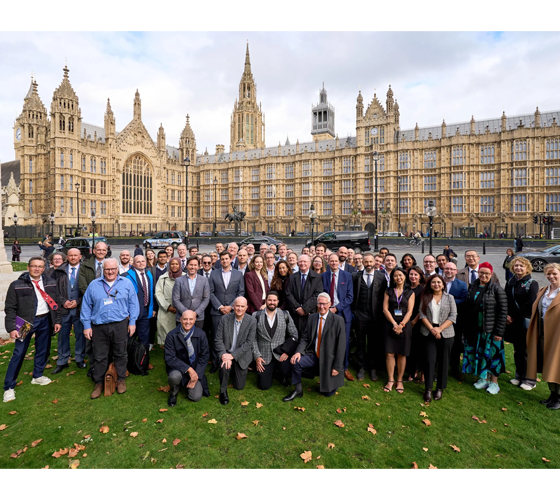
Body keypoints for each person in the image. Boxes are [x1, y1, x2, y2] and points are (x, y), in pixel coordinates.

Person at [3, 257, 62, 403]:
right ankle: (9, 387)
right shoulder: (17, 284)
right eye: (34, 266)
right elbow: (10, 308)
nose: (37, 269)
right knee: (19, 352)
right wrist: (11, 327)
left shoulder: (50, 282)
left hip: (45, 319)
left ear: (44, 268)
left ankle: (38, 376)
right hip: (25, 322)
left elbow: (57, 303)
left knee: (43, 349)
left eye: (40, 266)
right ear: (28, 267)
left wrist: (57, 321)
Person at [81, 258, 139, 399]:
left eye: (113, 269)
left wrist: (132, 322)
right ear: (103, 270)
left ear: (117, 269)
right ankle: (99, 382)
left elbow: (133, 303)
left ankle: (120, 379)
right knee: (99, 355)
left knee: (121, 353)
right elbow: (86, 306)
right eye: (107, 269)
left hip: (120, 324)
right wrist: (87, 326)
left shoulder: (126, 284)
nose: (110, 272)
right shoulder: (94, 285)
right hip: (99, 326)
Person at [283, 293, 346, 401]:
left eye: (324, 304)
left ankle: (331, 382)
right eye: (319, 304)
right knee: (295, 362)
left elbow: (341, 346)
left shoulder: (338, 320)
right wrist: (298, 352)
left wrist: (337, 367)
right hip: (313, 355)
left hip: (328, 359)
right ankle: (298, 390)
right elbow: (305, 338)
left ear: (330, 304)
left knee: (327, 393)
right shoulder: (312, 318)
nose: (322, 307)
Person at [462, 262, 507, 395]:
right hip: (476, 328)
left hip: (491, 329)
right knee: (480, 354)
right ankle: (483, 378)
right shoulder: (473, 286)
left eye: (487, 273)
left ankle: (494, 383)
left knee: (493, 356)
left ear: (491, 274)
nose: (484, 275)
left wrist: (499, 331)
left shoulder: (497, 289)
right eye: (481, 272)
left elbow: (503, 311)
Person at [419, 274, 457, 402]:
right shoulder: (425, 297)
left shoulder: (450, 298)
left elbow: (453, 316)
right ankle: (428, 389)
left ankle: (440, 388)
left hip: (446, 333)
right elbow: (422, 315)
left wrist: (440, 329)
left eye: (439, 282)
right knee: (430, 360)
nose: (436, 284)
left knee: (444, 361)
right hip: (429, 331)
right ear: (430, 284)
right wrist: (433, 329)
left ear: (443, 284)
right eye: (433, 282)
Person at [526, 263, 560, 409]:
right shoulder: (543, 290)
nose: (551, 276)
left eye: (554, 274)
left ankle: (558, 398)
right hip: (542, 333)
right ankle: (552, 395)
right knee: (547, 364)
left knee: (556, 365)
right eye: (548, 274)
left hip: (557, 336)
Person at [352, 252, 387, 382]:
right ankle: (361, 367)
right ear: (362, 262)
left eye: (370, 262)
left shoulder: (382, 277)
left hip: (375, 316)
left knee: (373, 343)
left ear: (374, 262)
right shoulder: (356, 276)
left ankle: (373, 367)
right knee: (360, 342)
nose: (368, 264)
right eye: (366, 262)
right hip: (360, 314)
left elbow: (384, 296)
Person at [215, 297, 257, 405]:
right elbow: (218, 340)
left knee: (239, 386)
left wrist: (232, 356)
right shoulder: (225, 319)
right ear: (233, 306)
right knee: (224, 366)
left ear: (246, 308)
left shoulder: (252, 321)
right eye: (237, 306)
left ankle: (234, 370)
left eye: (242, 306)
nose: (239, 308)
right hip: (226, 353)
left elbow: (249, 343)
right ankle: (223, 391)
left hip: (241, 355)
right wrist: (224, 355)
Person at [253, 291, 299, 390]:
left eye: (274, 300)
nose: (272, 302)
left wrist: (287, 351)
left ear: (278, 302)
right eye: (269, 300)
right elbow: (253, 339)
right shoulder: (256, 315)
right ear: (266, 301)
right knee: (263, 386)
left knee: (287, 371)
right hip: (264, 355)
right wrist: (257, 357)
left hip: (281, 353)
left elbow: (294, 334)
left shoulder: (285, 314)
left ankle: (281, 375)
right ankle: (270, 373)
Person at [505, 256, 539, 390]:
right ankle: (519, 376)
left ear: (527, 268)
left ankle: (530, 379)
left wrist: (513, 315)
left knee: (526, 351)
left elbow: (530, 303)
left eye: (521, 266)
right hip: (513, 322)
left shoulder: (532, 283)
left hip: (525, 321)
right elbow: (506, 298)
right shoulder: (510, 281)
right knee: (517, 350)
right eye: (516, 266)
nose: (518, 268)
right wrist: (507, 315)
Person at [209, 251, 246, 372]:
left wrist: (231, 306)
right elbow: (210, 292)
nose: (224, 261)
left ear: (231, 259)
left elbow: (241, 292)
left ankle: (231, 361)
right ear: (220, 260)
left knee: (230, 337)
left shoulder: (238, 274)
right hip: (217, 311)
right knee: (216, 337)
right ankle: (216, 362)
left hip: (233, 311)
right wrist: (220, 306)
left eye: (226, 259)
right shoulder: (213, 274)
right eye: (222, 259)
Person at [165, 310, 210, 406]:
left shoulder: (201, 334)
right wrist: (189, 369)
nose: (188, 322)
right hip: (178, 368)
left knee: (196, 397)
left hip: (195, 369)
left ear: (195, 320)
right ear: (180, 320)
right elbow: (170, 358)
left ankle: (188, 383)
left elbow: (204, 356)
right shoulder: (171, 335)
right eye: (185, 319)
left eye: (191, 319)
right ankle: (174, 392)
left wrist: (195, 376)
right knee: (174, 377)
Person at [51, 248, 86, 373]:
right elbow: (53, 289)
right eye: (70, 255)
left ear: (80, 256)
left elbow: (89, 290)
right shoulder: (59, 271)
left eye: (75, 255)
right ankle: (62, 360)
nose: (73, 258)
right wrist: (62, 301)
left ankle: (79, 358)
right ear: (67, 257)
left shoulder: (85, 270)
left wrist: (78, 301)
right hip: (63, 309)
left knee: (80, 334)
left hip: (79, 308)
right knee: (63, 335)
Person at [382, 267, 415, 394]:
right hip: (389, 324)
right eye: (395, 276)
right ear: (393, 278)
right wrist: (394, 324)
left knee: (402, 353)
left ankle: (400, 380)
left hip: (404, 326)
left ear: (405, 277)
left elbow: (410, 311)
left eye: (400, 275)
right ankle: (390, 379)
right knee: (390, 353)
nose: (398, 278)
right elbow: (385, 309)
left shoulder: (410, 292)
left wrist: (401, 324)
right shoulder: (388, 291)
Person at [78, 240, 109, 375]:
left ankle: (107, 364)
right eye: (98, 249)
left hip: (108, 305)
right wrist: (96, 298)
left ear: (106, 251)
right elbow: (82, 285)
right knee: (91, 338)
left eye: (103, 250)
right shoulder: (85, 266)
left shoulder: (111, 264)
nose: (101, 252)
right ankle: (93, 366)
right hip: (91, 304)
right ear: (94, 251)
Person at [322, 253, 354, 381]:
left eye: (336, 261)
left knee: (344, 342)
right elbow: (321, 293)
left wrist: (337, 308)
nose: (334, 263)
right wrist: (327, 308)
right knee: (329, 340)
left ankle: (344, 367)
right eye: (331, 261)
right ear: (328, 262)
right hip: (326, 312)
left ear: (339, 263)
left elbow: (350, 297)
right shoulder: (323, 276)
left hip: (342, 313)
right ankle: (329, 366)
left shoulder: (347, 276)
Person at [285, 254, 323, 340]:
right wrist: (297, 307)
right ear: (298, 263)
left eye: (305, 261)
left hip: (309, 314)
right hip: (295, 313)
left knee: (309, 338)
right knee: (295, 337)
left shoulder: (317, 277)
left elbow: (317, 294)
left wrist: (305, 309)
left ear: (309, 263)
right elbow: (288, 293)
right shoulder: (292, 277)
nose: (303, 263)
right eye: (300, 261)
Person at [123, 255, 155, 348]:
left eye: (143, 261)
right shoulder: (126, 276)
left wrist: (152, 308)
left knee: (144, 337)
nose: (141, 263)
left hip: (145, 310)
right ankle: (127, 360)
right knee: (129, 336)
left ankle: (142, 360)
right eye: (138, 262)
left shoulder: (149, 274)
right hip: (131, 311)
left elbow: (151, 292)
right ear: (133, 264)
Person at [443, 262, 469, 379]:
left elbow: (464, 300)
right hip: (438, 319)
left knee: (455, 345)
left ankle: (454, 368)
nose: (449, 271)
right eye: (447, 268)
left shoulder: (462, 284)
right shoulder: (438, 281)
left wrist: (447, 303)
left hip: (455, 320)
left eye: (451, 269)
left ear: (456, 271)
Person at [171, 255, 209, 330]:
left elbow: (206, 299)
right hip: (182, 317)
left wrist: (196, 313)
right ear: (187, 266)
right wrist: (186, 313)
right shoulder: (179, 280)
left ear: (199, 267)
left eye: (195, 265)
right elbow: (175, 299)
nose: (192, 267)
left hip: (198, 317)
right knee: (181, 339)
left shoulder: (204, 280)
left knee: (197, 339)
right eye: (191, 264)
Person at [155, 257, 185, 345]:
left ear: (180, 265)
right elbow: (158, 293)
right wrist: (167, 306)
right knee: (166, 331)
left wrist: (181, 307)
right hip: (166, 309)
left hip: (181, 309)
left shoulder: (185, 276)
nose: (174, 266)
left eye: (176, 264)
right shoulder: (163, 278)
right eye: (172, 264)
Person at [405, 266, 426, 382]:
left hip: (418, 322)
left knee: (420, 348)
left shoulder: (422, 289)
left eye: (415, 275)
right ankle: (412, 372)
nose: (413, 277)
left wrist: (414, 321)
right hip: (407, 321)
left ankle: (422, 372)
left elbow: (423, 307)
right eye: (411, 274)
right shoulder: (406, 288)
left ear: (420, 276)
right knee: (410, 348)